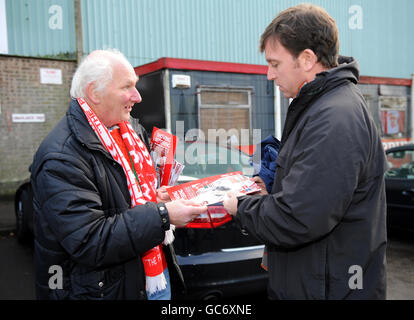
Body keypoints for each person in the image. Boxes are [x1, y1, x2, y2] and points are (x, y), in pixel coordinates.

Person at [223, 4, 387, 299]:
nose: (269, 75)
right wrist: (268, 191)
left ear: (308, 59)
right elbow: (312, 193)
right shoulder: (320, 106)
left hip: (329, 287)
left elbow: (297, 219)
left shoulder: (334, 118)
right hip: (317, 281)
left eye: (275, 64)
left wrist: (240, 206)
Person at [30, 49, 206, 300]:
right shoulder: (62, 156)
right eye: (127, 87)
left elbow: (128, 198)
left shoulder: (130, 131)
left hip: (150, 277)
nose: (138, 96)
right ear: (94, 93)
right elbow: (89, 241)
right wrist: (162, 215)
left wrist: (159, 199)